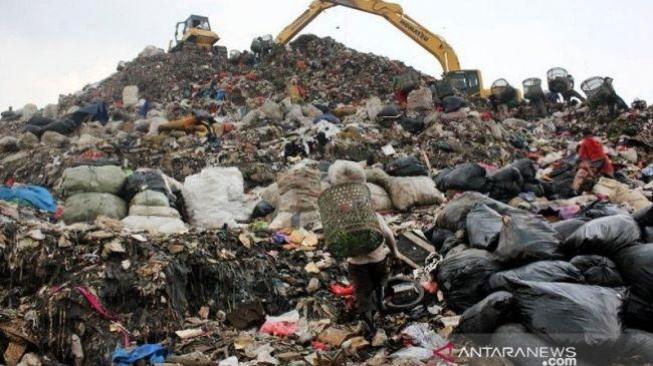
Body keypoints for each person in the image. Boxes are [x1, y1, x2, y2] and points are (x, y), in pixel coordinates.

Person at [347, 213, 398, 333]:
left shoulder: (346, 221)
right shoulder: (374, 216)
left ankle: (370, 325)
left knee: (363, 294)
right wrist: (395, 253)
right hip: (377, 260)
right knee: (380, 284)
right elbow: (388, 234)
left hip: (357, 264)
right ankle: (381, 304)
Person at [573, 128, 614, 193]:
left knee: (584, 175)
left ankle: (576, 191)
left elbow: (584, 160)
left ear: (584, 135)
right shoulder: (598, 141)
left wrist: (590, 172)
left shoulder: (584, 143)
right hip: (605, 165)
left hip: (596, 163)